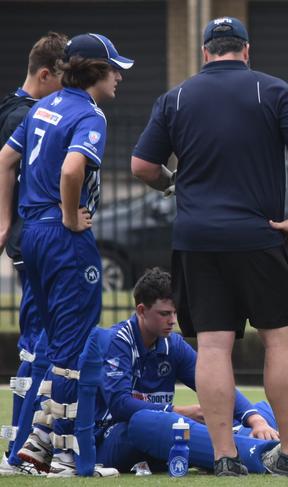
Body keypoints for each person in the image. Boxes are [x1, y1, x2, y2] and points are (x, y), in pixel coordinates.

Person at [131, 16, 288, 477]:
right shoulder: (272, 91)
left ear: (205, 52)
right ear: (246, 51)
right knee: (281, 340)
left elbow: (142, 165)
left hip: (196, 240)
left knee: (212, 346)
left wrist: (174, 186)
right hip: (258, 234)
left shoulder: (177, 97)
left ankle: (225, 457)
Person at [0, 33, 133, 477]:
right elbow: (74, 167)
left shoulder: (43, 105)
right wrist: (73, 215)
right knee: (76, 344)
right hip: (63, 238)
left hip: (31, 236)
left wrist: (5, 221)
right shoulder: (89, 115)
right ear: (95, 70)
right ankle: (67, 455)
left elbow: (4, 160)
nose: (119, 77)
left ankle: (30, 445)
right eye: (114, 68)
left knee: (46, 345)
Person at [94, 268, 280, 473]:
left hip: (162, 434)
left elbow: (214, 385)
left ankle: (236, 445)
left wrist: (256, 420)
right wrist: (180, 412)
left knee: (259, 410)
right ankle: (258, 454)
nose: (172, 320)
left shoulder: (173, 344)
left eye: (175, 312)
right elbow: (120, 405)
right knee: (144, 422)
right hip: (114, 438)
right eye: (164, 314)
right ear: (141, 310)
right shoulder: (117, 342)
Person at [0, 32, 68, 477]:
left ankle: (20, 444)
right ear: (45, 75)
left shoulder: (16, 107)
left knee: (39, 341)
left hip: (34, 240)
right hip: (35, 241)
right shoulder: (24, 115)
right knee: (39, 344)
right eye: (64, 81)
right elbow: (6, 162)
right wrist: (5, 221)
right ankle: (19, 449)